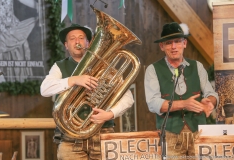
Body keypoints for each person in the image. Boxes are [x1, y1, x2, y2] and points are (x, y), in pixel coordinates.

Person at [40, 24, 134, 160]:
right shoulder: (60, 66)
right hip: (71, 137)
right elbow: (45, 89)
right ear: (66, 45)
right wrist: (74, 80)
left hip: (103, 133)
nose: (77, 41)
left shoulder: (105, 66)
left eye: (81, 38)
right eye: (72, 39)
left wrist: (110, 114)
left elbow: (128, 98)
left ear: (89, 43)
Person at [144, 22, 219, 159]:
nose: (173, 47)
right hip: (170, 134)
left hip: (198, 132)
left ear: (184, 43)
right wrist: (184, 104)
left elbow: (211, 94)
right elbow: (153, 103)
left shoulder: (197, 66)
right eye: (168, 43)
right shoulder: (153, 70)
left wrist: (211, 102)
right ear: (162, 46)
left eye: (178, 42)